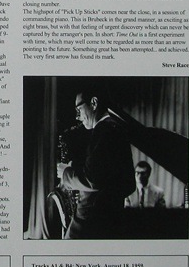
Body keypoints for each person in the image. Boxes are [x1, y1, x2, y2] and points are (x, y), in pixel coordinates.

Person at [56, 85, 135, 239]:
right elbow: (128, 184)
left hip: (89, 224)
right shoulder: (115, 128)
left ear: (93, 103)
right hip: (108, 223)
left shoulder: (103, 131)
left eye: (79, 109)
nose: (77, 117)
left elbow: (92, 179)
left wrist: (66, 172)